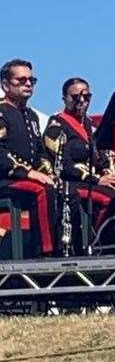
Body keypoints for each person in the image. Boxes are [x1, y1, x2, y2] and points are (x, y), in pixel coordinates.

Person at [43, 78, 115, 248]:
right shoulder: (57, 125)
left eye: (86, 96)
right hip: (74, 183)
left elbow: (99, 157)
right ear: (65, 99)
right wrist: (98, 180)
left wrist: (110, 174)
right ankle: (99, 243)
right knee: (113, 200)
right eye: (76, 97)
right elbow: (63, 165)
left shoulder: (89, 125)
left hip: (96, 181)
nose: (82, 101)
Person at [0, 59, 57, 256]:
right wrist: (30, 173)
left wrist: (47, 171)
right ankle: (46, 252)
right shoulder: (1, 113)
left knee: (62, 188)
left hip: (25, 178)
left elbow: (40, 151)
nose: (28, 84)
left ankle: (68, 247)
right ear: (6, 85)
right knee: (41, 190)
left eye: (31, 80)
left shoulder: (31, 116)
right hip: (5, 179)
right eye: (21, 80)